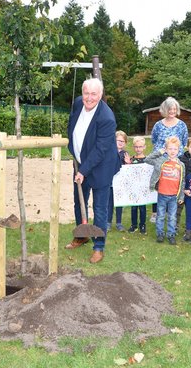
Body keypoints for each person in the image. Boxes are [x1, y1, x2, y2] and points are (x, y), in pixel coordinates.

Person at [66, 78, 121, 264]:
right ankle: (82, 236)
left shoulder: (107, 118)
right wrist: (74, 152)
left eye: (93, 94)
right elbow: (71, 126)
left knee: (99, 208)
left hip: (101, 167)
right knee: (78, 202)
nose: (89, 98)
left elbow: (100, 149)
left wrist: (83, 170)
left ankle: (99, 246)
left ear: (100, 94)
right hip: (80, 163)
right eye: (86, 93)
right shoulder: (77, 103)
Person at [149, 96, 189, 223]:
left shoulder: (182, 125)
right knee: (158, 183)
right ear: (165, 110)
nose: (172, 111)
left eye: (174, 109)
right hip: (161, 159)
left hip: (175, 159)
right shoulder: (158, 125)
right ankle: (155, 212)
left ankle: (171, 212)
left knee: (172, 184)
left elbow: (184, 141)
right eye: (169, 109)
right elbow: (154, 140)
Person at [146, 136, 186, 245]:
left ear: (179, 150)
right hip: (162, 194)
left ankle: (171, 235)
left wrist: (181, 196)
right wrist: (159, 152)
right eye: (170, 148)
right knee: (160, 216)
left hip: (174, 196)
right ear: (166, 149)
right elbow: (147, 159)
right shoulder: (161, 161)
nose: (172, 151)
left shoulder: (181, 165)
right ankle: (160, 234)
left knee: (172, 217)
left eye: (175, 149)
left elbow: (182, 181)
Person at [107, 130, 130, 231]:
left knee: (119, 203)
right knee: (109, 203)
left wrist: (128, 163)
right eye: (118, 140)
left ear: (125, 143)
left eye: (122, 141)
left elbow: (128, 169)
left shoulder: (125, 154)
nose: (120, 143)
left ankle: (119, 223)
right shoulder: (109, 152)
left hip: (120, 184)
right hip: (110, 183)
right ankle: (108, 222)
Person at [128, 136, 148, 235]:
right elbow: (127, 172)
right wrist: (128, 164)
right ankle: (134, 224)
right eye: (136, 147)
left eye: (140, 147)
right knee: (134, 207)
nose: (138, 149)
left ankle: (142, 225)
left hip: (143, 189)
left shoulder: (147, 160)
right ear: (133, 147)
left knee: (142, 208)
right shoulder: (131, 159)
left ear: (144, 147)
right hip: (134, 188)